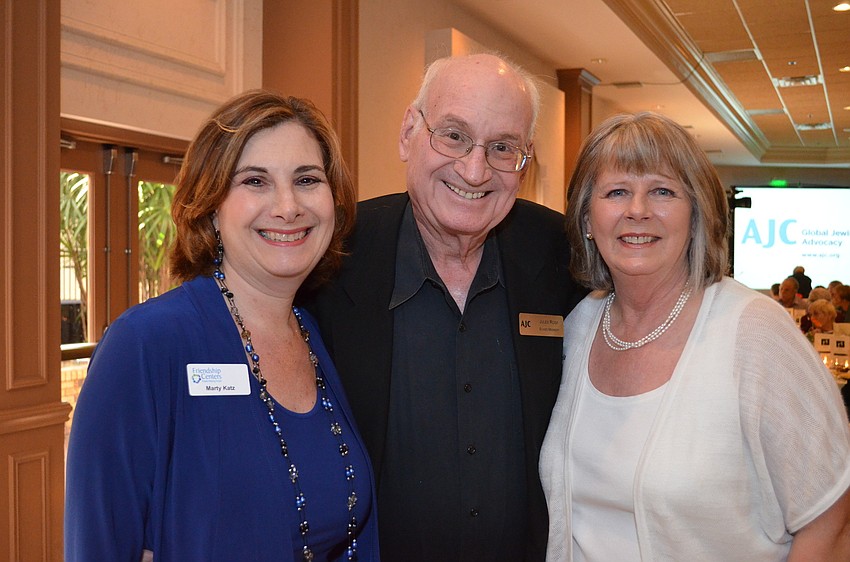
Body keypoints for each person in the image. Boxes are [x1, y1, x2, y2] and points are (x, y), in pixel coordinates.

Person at [65, 91, 379, 561]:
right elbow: (99, 544)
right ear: (211, 204)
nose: (288, 206)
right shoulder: (145, 344)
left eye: (307, 179)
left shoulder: (315, 333)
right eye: (255, 181)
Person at [307, 53, 586, 561]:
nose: (475, 170)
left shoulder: (561, 256)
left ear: (525, 161)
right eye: (453, 135)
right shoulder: (332, 256)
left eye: (503, 147)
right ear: (408, 132)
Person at [539, 112, 850, 560]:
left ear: (696, 213)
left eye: (662, 191)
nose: (638, 209)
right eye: (617, 191)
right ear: (588, 219)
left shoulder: (754, 332)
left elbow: (831, 525)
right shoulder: (575, 328)